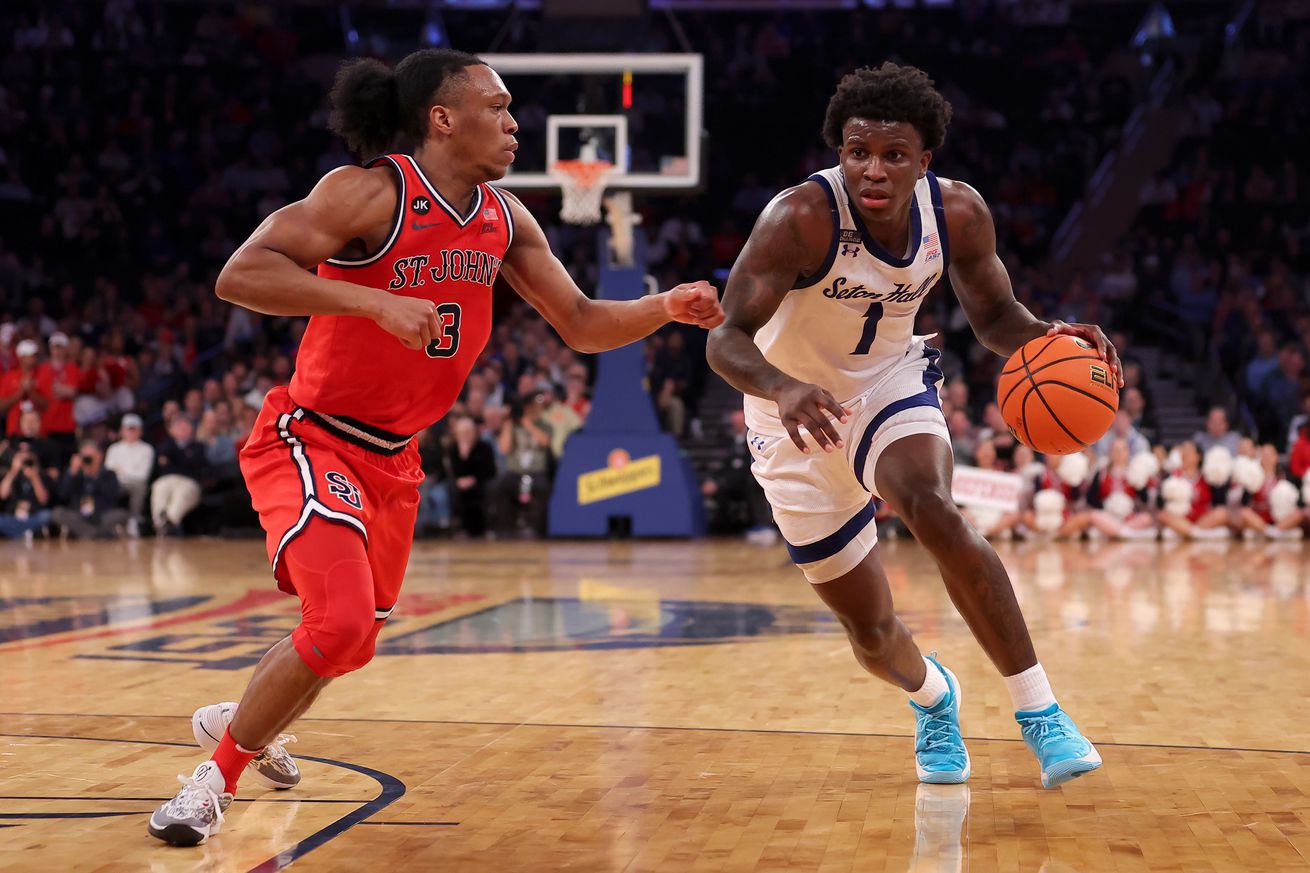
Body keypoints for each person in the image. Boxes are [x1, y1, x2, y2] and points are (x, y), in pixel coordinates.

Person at [148, 48, 722, 847]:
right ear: (442, 118)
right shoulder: (368, 192)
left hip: (396, 458)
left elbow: (584, 322)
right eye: (499, 106)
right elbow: (241, 274)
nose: (516, 122)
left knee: (344, 640)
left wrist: (665, 304)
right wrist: (369, 300)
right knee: (342, 623)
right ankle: (211, 783)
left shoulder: (505, 217)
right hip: (312, 436)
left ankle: (243, 718)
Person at [706, 63, 1112, 790]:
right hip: (788, 413)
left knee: (932, 506)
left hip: (888, 385)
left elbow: (994, 318)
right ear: (840, 151)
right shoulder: (799, 218)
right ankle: (934, 697)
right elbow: (725, 337)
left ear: (925, 161)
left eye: (895, 154)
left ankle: (1041, 712)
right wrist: (779, 384)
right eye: (858, 150)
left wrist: (1051, 339)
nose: (873, 168)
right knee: (870, 632)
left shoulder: (957, 213)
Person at [51, 440, 130, 539]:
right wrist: (72, 472)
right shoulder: (75, 474)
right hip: (79, 515)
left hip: (102, 514)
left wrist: (94, 476)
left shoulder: (109, 474)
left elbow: (113, 495)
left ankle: (87, 533)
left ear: (100, 456)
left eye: (91, 457)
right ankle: (95, 534)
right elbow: (63, 494)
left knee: (121, 514)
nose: (88, 460)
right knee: (57, 513)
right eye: (85, 457)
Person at [150, 415, 209, 536]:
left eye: (185, 426)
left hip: (189, 482)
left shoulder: (199, 446)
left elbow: (198, 466)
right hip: (167, 479)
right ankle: (160, 522)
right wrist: (184, 459)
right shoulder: (165, 444)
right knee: (159, 487)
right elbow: (162, 465)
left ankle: (169, 522)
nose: (182, 429)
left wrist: (174, 460)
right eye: (178, 427)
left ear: (191, 429)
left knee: (181, 494)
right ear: (171, 430)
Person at [105, 413, 155, 528]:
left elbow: (142, 475)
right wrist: (127, 471)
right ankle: (108, 520)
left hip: (135, 483)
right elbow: (109, 471)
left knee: (139, 486)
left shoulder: (147, 449)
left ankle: (134, 521)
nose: (131, 432)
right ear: (122, 430)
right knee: (106, 485)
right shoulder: (114, 449)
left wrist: (122, 471)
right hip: (116, 483)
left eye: (134, 429)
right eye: (128, 429)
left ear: (140, 431)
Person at [0, 436, 53, 542]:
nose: (24, 460)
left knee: (47, 515)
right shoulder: (11, 475)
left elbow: (43, 499)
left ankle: (17, 533)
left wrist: (34, 477)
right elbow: (3, 494)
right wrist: (13, 471)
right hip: (13, 517)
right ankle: (26, 532)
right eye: (21, 456)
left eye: (27, 457)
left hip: (33, 516)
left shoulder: (43, 476)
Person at [0, 339, 49, 437]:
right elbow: (1, 406)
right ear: (21, 357)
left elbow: (48, 405)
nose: (33, 358)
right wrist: (19, 394)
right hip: (14, 430)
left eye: (35, 355)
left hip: (39, 431)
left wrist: (30, 391)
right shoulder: (9, 376)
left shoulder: (44, 374)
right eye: (30, 355)